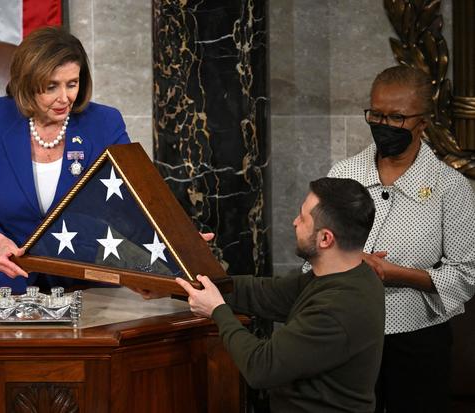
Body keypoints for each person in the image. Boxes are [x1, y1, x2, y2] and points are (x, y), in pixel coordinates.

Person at [328, 65, 475, 412]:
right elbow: (313, 256)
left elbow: (467, 274)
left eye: (397, 118)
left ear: (422, 122)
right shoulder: (342, 174)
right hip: (345, 335)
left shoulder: (449, 186)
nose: (384, 125)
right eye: (376, 114)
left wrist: (395, 274)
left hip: (420, 344)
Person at [176, 177, 385, 412]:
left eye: (303, 218)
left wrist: (217, 311)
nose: (295, 222)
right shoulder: (346, 275)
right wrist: (177, 281)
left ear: (325, 238)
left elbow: (260, 367)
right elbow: (262, 293)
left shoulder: (338, 308)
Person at [0, 26, 130, 293]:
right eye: (50, 87)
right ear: (27, 84)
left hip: (83, 282)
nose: (64, 98)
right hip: (6, 277)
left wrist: (174, 240)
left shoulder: (105, 122)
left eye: (72, 84)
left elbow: (136, 197)